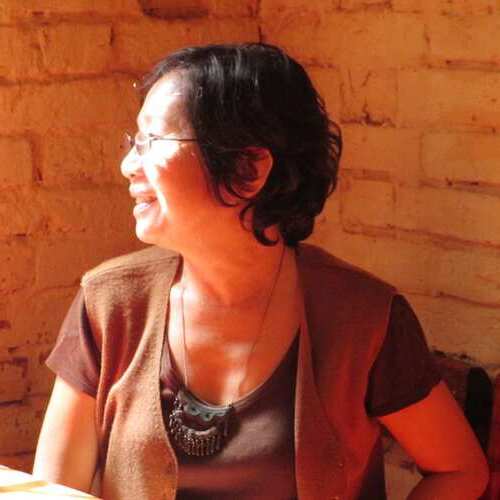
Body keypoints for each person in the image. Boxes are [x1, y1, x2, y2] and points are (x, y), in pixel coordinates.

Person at [33, 43, 489, 499]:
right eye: (134, 141)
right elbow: (52, 491)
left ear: (248, 169)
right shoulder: (110, 303)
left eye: (152, 141)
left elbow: (459, 471)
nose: (128, 165)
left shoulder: (363, 318)